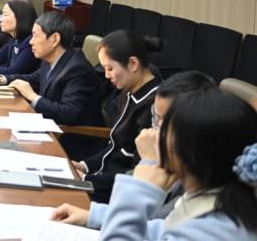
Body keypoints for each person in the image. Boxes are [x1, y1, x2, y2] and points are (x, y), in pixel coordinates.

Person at [51, 71, 219, 227]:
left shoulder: (201, 198)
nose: (152, 130)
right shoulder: (175, 163)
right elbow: (153, 228)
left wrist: (149, 163)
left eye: (162, 121)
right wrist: (92, 216)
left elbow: (135, 228)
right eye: (155, 118)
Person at [92, 90, 257, 240]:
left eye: (164, 130)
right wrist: (92, 215)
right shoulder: (223, 198)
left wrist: (140, 186)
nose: (154, 135)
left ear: (190, 153)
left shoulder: (215, 229)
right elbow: (166, 229)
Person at [0, 10, 103, 159]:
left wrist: (33, 96)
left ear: (54, 39)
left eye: (35, 36)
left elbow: (68, 114)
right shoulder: (52, 59)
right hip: (47, 131)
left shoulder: (77, 69)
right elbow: (34, 78)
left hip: (69, 143)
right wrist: (2, 79)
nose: (31, 41)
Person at [72, 30, 162, 203]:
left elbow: (137, 172)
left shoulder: (155, 107)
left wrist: (86, 180)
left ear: (133, 64)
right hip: (103, 182)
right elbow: (114, 145)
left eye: (110, 68)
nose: (106, 75)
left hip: (118, 194)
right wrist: (84, 166)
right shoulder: (128, 92)